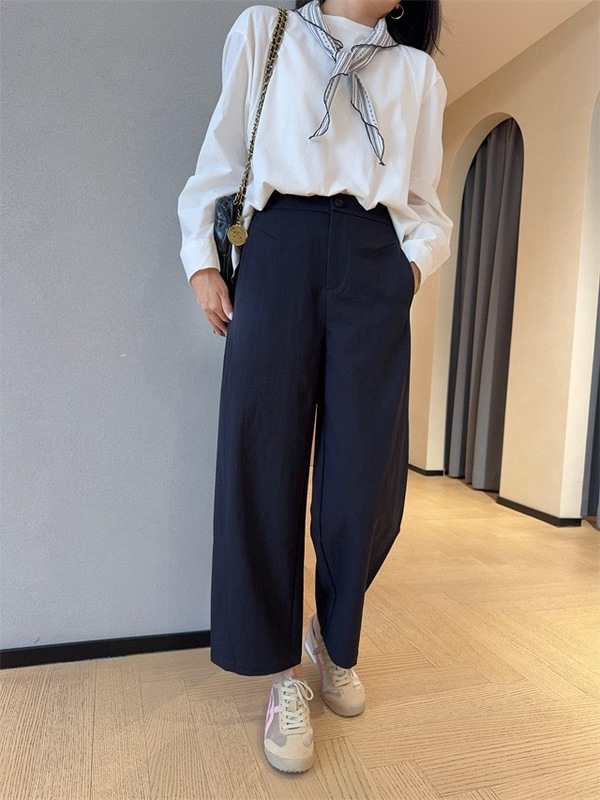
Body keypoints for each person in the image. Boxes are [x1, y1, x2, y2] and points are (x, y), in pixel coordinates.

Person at [177, 0, 453, 774]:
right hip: (279, 247)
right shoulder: (265, 31)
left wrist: (405, 274)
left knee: (361, 475)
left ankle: (334, 638)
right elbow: (221, 157)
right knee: (262, 459)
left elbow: (427, 208)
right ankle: (282, 676)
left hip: (374, 260)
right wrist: (202, 261)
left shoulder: (417, 74)